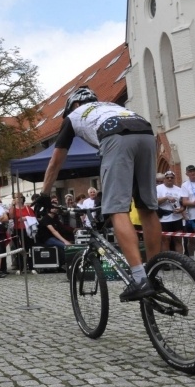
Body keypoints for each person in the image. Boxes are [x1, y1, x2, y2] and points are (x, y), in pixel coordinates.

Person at [37, 86, 161, 301]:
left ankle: (140, 278)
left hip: (114, 134)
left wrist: (44, 195)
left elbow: (55, 161)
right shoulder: (111, 106)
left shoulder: (74, 116)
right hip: (146, 131)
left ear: (74, 105)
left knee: (117, 209)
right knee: (147, 207)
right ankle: (155, 270)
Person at [35, 203, 72, 268]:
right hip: (46, 239)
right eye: (53, 208)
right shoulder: (46, 219)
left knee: (66, 245)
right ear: (49, 209)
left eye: (56, 208)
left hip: (53, 238)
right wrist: (65, 241)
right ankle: (66, 264)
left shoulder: (55, 218)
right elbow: (54, 231)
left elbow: (61, 228)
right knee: (65, 246)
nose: (55, 209)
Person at [156, 171, 185, 253]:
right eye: (167, 177)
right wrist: (166, 198)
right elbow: (155, 202)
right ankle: (167, 261)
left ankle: (180, 261)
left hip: (177, 217)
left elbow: (183, 204)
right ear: (164, 179)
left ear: (174, 179)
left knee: (178, 240)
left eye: (171, 178)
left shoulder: (179, 189)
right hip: (164, 218)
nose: (169, 179)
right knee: (166, 240)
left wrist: (181, 209)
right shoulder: (158, 188)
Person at [9, 193, 36, 273]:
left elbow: (33, 217)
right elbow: (11, 216)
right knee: (19, 248)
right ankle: (20, 267)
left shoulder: (27, 208)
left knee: (28, 248)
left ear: (22, 198)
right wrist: (12, 205)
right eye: (16, 197)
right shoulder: (13, 208)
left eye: (19, 197)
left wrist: (25, 218)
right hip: (17, 230)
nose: (18, 199)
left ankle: (31, 267)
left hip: (27, 230)